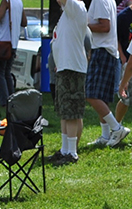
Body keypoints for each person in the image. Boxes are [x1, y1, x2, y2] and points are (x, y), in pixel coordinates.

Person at [47, 0, 89, 165]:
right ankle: (65, 150)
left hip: (72, 67)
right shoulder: (67, 12)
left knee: (71, 112)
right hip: (65, 67)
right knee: (65, 112)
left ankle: (71, 153)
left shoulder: (76, 6)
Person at [86, 0, 130, 147]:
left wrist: (82, 26)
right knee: (101, 97)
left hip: (102, 50)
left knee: (91, 95)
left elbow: (105, 26)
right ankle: (105, 135)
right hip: (105, 50)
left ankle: (116, 129)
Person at [0, 0, 27, 107]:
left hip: (2, 42)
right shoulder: (19, 2)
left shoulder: (6, 1)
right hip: (13, 43)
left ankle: (4, 101)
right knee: (7, 73)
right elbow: (24, 22)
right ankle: (12, 99)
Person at [113, 6, 132, 124]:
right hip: (126, 59)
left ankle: (115, 129)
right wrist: (122, 56)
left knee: (125, 95)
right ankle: (116, 126)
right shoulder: (123, 17)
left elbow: (131, 65)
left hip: (129, 64)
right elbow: (115, 37)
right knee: (125, 98)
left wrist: (122, 85)